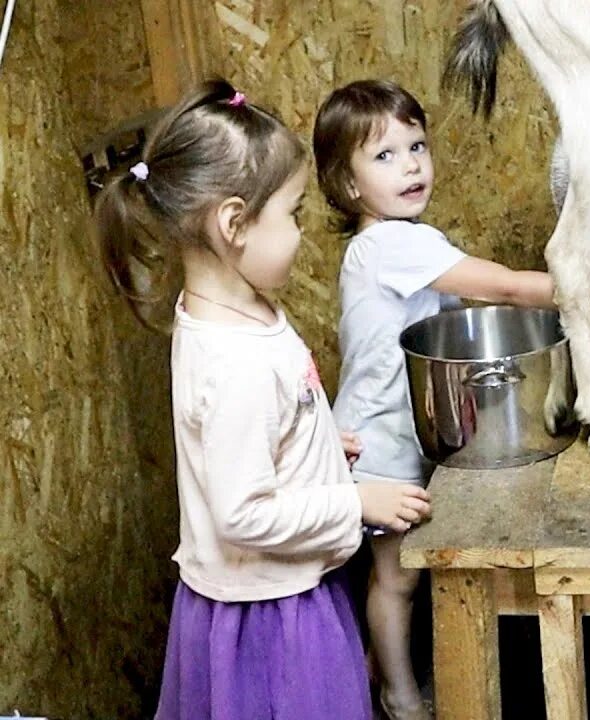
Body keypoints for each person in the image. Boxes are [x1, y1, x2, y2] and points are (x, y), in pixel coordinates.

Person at [313, 79, 590, 720]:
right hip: (380, 444)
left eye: (416, 145)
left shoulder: (398, 245)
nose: (410, 164)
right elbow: (514, 291)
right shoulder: (393, 247)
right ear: (348, 188)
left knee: (393, 576)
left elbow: (480, 309)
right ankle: (400, 700)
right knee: (397, 578)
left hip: (397, 429)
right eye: (384, 156)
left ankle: (377, 671)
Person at [93, 78, 430, 720]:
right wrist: (356, 500)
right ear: (234, 224)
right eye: (294, 213)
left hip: (289, 587)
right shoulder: (234, 362)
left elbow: (263, 430)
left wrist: (318, 441)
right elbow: (242, 513)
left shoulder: (239, 310)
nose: (302, 233)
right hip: (271, 618)